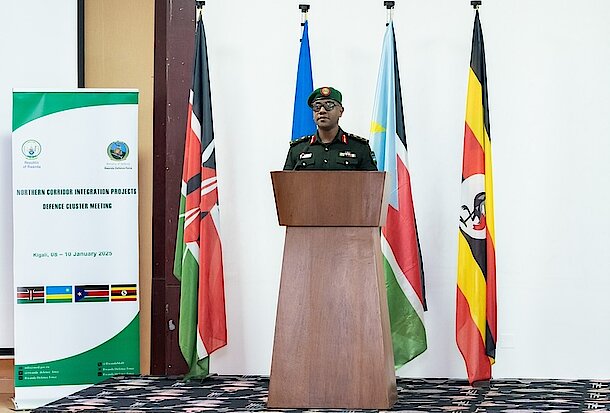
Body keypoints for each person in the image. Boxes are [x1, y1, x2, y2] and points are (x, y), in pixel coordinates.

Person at [283, 86, 377, 171]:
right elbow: (285, 182)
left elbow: (372, 182)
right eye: (317, 106)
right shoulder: (298, 149)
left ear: (341, 111)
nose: (322, 111)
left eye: (329, 105)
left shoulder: (359, 148)